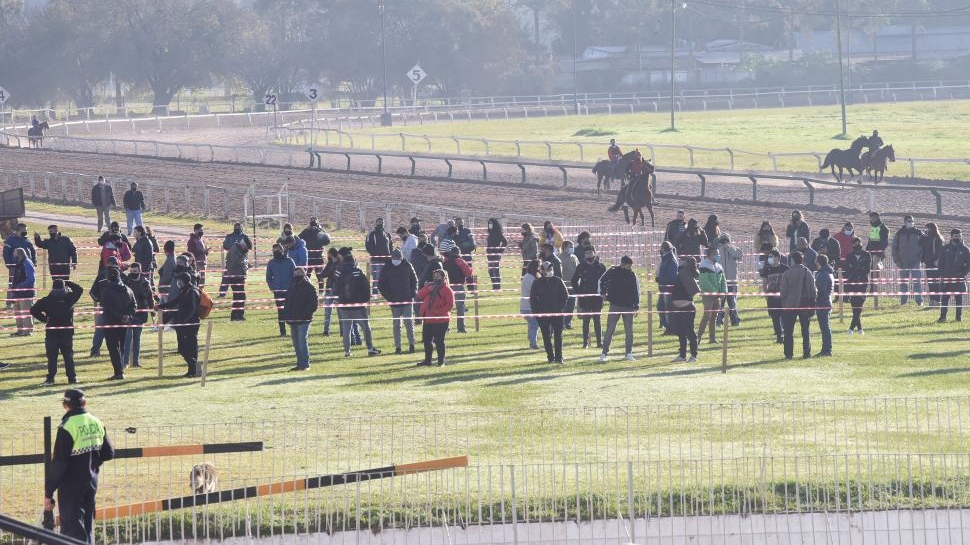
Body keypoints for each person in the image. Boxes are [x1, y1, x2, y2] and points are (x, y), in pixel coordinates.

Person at [44, 389, 115, 544]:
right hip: (91, 482)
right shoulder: (96, 422)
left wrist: (49, 492)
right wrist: (92, 463)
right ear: (85, 403)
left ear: (65, 405)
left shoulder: (67, 427)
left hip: (71, 486)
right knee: (87, 527)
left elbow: (60, 464)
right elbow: (108, 453)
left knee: (72, 531)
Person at [31, 280, 84, 385]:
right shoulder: (70, 298)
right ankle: (72, 378)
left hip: (52, 332)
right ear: (64, 288)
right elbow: (80, 289)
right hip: (67, 332)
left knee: (52, 357)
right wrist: (68, 282)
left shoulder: (46, 301)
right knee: (68, 356)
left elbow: (33, 310)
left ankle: (51, 378)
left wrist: (44, 319)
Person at [333, 248, 381, 357]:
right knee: (366, 328)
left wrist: (339, 300)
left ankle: (347, 351)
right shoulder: (358, 272)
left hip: (344, 305)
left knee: (346, 330)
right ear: (354, 261)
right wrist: (364, 301)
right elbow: (365, 288)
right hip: (358, 306)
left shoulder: (338, 271)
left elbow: (335, 289)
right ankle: (370, 348)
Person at [157, 272, 201, 377]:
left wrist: (184, 321)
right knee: (184, 348)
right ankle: (193, 370)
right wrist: (160, 306)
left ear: (182, 281)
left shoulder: (192, 292)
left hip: (189, 324)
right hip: (183, 323)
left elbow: (192, 309)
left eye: (178, 281)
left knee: (188, 348)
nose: (177, 283)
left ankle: (195, 368)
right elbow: (173, 302)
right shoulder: (185, 291)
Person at [598, 255, 640, 362]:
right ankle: (604, 353)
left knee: (629, 331)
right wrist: (603, 293)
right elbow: (602, 280)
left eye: (631, 266)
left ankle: (629, 353)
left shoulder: (632, 275)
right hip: (615, 304)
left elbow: (636, 291)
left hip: (629, 306)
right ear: (622, 264)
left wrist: (636, 306)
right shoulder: (612, 271)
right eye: (628, 265)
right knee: (610, 330)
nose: (630, 268)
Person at [98, 266, 136, 380]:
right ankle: (120, 370)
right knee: (121, 347)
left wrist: (122, 316)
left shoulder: (107, 291)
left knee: (114, 348)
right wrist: (128, 316)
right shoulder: (128, 289)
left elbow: (108, 308)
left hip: (111, 323)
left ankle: (118, 372)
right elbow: (134, 305)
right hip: (123, 323)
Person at [378, 249, 418, 354]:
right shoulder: (387, 267)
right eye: (394, 259)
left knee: (409, 323)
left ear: (401, 258)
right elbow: (381, 285)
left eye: (397, 259)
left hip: (407, 300)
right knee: (396, 325)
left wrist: (413, 294)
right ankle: (398, 347)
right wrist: (389, 297)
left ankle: (412, 345)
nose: (396, 260)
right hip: (394, 301)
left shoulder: (408, 266)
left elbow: (414, 281)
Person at [779, 251, 817, 360]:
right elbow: (813, 290)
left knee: (788, 331)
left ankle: (788, 354)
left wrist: (784, 301)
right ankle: (806, 353)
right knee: (805, 330)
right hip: (804, 304)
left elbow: (783, 291)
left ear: (793, 260)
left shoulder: (787, 273)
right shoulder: (807, 272)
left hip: (790, 305)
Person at [530, 261, 569, 364]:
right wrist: (537, 312)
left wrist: (560, 308)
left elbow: (565, 295)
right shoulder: (537, 282)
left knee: (558, 336)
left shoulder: (558, 280)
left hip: (557, 313)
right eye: (547, 269)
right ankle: (550, 358)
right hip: (543, 314)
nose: (549, 271)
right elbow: (533, 299)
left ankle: (559, 358)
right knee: (546, 337)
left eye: (550, 268)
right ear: (542, 271)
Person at [416, 267, 455, 367]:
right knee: (427, 341)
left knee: (439, 342)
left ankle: (441, 361)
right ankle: (427, 361)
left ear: (443, 277)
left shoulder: (447, 290)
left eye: (438, 275)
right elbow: (419, 295)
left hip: (441, 320)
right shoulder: (430, 286)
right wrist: (428, 289)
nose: (436, 277)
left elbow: (450, 305)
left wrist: (438, 312)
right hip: (428, 319)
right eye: (435, 275)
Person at [283, 267, 319, 371]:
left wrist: (305, 314)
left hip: (304, 320)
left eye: (298, 274)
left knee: (302, 341)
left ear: (303, 274)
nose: (296, 276)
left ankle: (305, 364)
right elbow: (288, 302)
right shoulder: (292, 286)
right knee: (296, 343)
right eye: (294, 274)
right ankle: (300, 364)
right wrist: (287, 315)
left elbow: (313, 304)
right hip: (293, 319)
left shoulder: (309, 287)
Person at [120, 262, 154, 370]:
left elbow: (150, 297)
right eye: (131, 271)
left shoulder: (145, 283)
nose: (133, 273)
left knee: (137, 339)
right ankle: (124, 362)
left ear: (140, 271)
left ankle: (135, 361)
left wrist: (152, 310)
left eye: (135, 271)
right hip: (129, 314)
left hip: (140, 315)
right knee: (127, 339)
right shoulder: (125, 282)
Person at [572, 246, 606, 348]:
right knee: (586, 320)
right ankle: (585, 342)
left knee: (597, 320)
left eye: (591, 253)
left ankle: (599, 342)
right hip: (585, 296)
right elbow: (574, 280)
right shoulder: (581, 267)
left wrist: (603, 293)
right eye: (587, 253)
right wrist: (579, 292)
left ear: (594, 253)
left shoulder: (601, 267)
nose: (589, 255)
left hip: (597, 297)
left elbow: (606, 281)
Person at [669, 256, 700, 363]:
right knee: (681, 332)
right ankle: (682, 355)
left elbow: (695, 290)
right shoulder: (682, 272)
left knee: (690, 332)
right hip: (679, 308)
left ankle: (694, 355)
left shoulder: (685, 273)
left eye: (681, 259)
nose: (679, 261)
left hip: (687, 307)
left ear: (686, 263)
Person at [938, 229, 970, 323]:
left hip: (959, 278)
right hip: (946, 278)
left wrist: (962, 274)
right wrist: (942, 274)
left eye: (960, 236)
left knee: (959, 299)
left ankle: (958, 318)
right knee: (944, 298)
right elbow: (940, 263)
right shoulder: (945, 248)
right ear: (951, 236)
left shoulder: (965, 249)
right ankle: (942, 317)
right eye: (956, 236)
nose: (958, 238)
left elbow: (968, 265)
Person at [893, 215, 924, 306]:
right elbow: (894, 248)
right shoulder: (899, 233)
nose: (911, 222)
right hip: (903, 262)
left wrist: (921, 258)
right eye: (909, 221)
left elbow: (924, 246)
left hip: (916, 261)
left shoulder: (918, 233)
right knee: (903, 282)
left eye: (912, 221)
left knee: (917, 281)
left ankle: (919, 300)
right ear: (905, 222)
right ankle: (903, 301)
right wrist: (897, 261)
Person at [266, 243, 296, 337]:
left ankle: (294, 331)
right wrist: (273, 288)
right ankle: (282, 332)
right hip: (278, 291)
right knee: (280, 312)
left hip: (289, 290)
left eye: (278, 250)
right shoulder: (271, 263)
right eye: (274, 251)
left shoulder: (290, 261)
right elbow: (268, 277)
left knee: (291, 311)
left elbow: (295, 275)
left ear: (282, 250)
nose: (276, 252)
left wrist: (293, 287)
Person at [843, 237, 872, 334]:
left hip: (863, 283)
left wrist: (856, 269)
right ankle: (859, 328)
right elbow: (847, 269)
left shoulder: (866, 255)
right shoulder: (849, 256)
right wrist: (857, 269)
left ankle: (851, 328)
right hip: (852, 282)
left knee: (860, 303)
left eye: (858, 243)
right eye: (855, 244)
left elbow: (867, 269)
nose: (857, 245)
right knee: (854, 305)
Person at [697, 247, 725, 344]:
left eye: (718, 253)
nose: (718, 255)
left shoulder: (719, 266)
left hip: (717, 296)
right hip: (708, 295)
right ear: (709, 255)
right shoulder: (703, 265)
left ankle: (712, 339)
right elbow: (705, 282)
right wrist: (715, 292)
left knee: (714, 316)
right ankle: (698, 337)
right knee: (707, 316)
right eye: (715, 254)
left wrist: (723, 292)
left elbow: (723, 281)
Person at [760, 248, 789, 344]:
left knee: (785, 317)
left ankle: (787, 335)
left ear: (777, 258)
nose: (769, 258)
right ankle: (779, 336)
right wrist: (766, 294)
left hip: (783, 297)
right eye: (769, 257)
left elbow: (789, 282)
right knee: (774, 318)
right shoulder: (767, 269)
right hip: (772, 297)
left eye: (771, 257)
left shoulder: (785, 268)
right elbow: (764, 283)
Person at [443, 247, 474, 333]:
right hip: (458, 286)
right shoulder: (459, 261)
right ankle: (461, 328)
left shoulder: (445, 261)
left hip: (446, 287)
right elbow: (468, 273)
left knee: (446, 308)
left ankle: (445, 328)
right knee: (460, 308)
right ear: (458, 252)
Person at [4, 223, 35, 309]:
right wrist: (10, 265)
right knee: (12, 284)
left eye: (25, 230)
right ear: (17, 230)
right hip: (15, 267)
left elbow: (33, 251)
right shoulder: (10, 240)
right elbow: (6, 253)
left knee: (29, 282)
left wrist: (34, 262)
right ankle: (9, 302)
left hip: (27, 266)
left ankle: (30, 300)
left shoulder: (27, 240)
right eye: (23, 230)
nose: (24, 231)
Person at [219, 223, 253, 296]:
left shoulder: (244, 236)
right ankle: (222, 293)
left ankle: (239, 292)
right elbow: (225, 245)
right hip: (232, 260)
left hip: (242, 260)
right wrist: (234, 247)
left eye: (239, 227)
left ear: (241, 228)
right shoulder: (229, 236)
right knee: (226, 277)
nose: (237, 228)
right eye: (236, 227)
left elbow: (249, 248)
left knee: (239, 278)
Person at [716, 234, 743, 327]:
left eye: (726, 240)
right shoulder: (717, 250)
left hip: (732, 281)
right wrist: (720, 247)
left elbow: (739, 255)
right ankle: (718, 321)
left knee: (732, 303)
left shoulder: (735, 249)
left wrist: (728, 246)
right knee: (720, 303)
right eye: (723, 240)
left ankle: (735, 321)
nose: (724, 242)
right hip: (720, 281)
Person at [298, 217, 331, 293]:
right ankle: (306, 291)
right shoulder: (307, 231)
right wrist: (306, 229)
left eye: (315, 223)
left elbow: (327, 240)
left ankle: (321, 292)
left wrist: (318, 229)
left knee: (320, 275)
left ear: (317, 223)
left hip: (319, 257)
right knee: (306, 276)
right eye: (312, 223)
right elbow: (299, 238)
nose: (313, 225)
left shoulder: (320, 231)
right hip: (309, 257)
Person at [9, 247, 35, 336]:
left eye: (15, 254)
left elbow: (31, 279)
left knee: (25, 312)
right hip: (17, 293)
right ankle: (20, 330)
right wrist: (13, 290)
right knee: (18, 313)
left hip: (25, 293)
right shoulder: (18, 264)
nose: (13, 256)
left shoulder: (27, 263)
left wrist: (20, 286)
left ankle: (27, 331)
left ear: (20, 254)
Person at [365, 218, 393, 295]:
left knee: (386, 277)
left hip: (386, 260)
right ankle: (375, 294)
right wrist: (375, 254)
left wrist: (390, 255)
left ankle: (384, 293)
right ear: (376, 223)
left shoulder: (387, 234)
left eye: (382, 222)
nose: (381, 223)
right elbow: (368, 246)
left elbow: (391, 245)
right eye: (379, 222)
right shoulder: (372, 233)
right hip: (376, 260)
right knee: (376, 278)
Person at [655, 241, 678, 332]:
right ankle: (665, 324)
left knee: (668, 308)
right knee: (660, 306)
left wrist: (660, 279)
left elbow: (672, 277)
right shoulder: (665, 258)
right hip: (663, 287)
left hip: (668, 288)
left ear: (664, 249)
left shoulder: (671, 260)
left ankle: (670, 328)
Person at [223, 239, 249, 321]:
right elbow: (236, 262)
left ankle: (235, 315)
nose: (247, 250)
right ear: (244, 245)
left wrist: (246, 263)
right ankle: (238, 315)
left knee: (238, 296)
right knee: (240, 296)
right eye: (247, 247)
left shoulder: (240, 249)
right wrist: (245, 264)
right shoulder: (235, 250)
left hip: (239, 276)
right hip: (235, 276)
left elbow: (242, 261)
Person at [814, 255, 834, 357]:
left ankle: (827, 350)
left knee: (825, 328)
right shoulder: (828, 272)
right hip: (826, 302)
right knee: (825, 327)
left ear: (819, 262)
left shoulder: (822, 274)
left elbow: (821, 290)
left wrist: (815, 297)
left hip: (823, 303)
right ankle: (826, 349)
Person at [922, 223, 945, 307]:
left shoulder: (937, 238)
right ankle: (932, 301)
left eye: (927, 228)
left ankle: (937, 301)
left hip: (935, 264)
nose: (926, 230)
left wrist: (931, 260)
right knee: (930, 283)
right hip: (928, 264)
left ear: (932, 229)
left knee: (936, 283)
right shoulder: (927, 238)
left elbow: (939, 252)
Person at [520, 259, 540, 349]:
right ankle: (533, 343)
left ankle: (531, 340)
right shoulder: (530, 278)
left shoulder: (527, 276)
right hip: (529, 306)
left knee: (532, 324)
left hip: (525, 306)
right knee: (534, 325)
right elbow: (536, 291)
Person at [560, 240, 579, 329]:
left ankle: (568, 322)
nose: (572, 248)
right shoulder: (560, 258)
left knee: (571, 305)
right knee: (564, 305)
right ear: (564, 247)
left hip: (574, 285)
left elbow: (578, 268)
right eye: (570, 246)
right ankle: (562, 322)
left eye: (572, 246)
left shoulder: (574, 257)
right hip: (564, 285)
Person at [486, 218, 508, 291]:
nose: (490, 225)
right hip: (489, 255)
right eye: (489, 223)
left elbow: (505, 242)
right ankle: (495, 286)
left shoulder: (498, 233)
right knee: (490, 271)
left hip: (496, 254)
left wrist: (500, 250)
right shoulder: (490, 233)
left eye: (491, 224)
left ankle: (497, 287)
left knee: (495, 271)